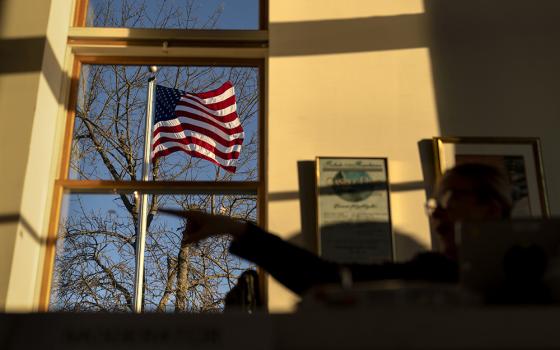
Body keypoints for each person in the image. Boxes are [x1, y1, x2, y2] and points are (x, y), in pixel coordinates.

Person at [160, 163, 513, 296]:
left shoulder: (536, 281)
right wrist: (234, 228)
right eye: (433, 204)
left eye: (449, 198)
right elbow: (325, 278)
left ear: (491, 208)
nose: (436, 214)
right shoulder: (430, 271)